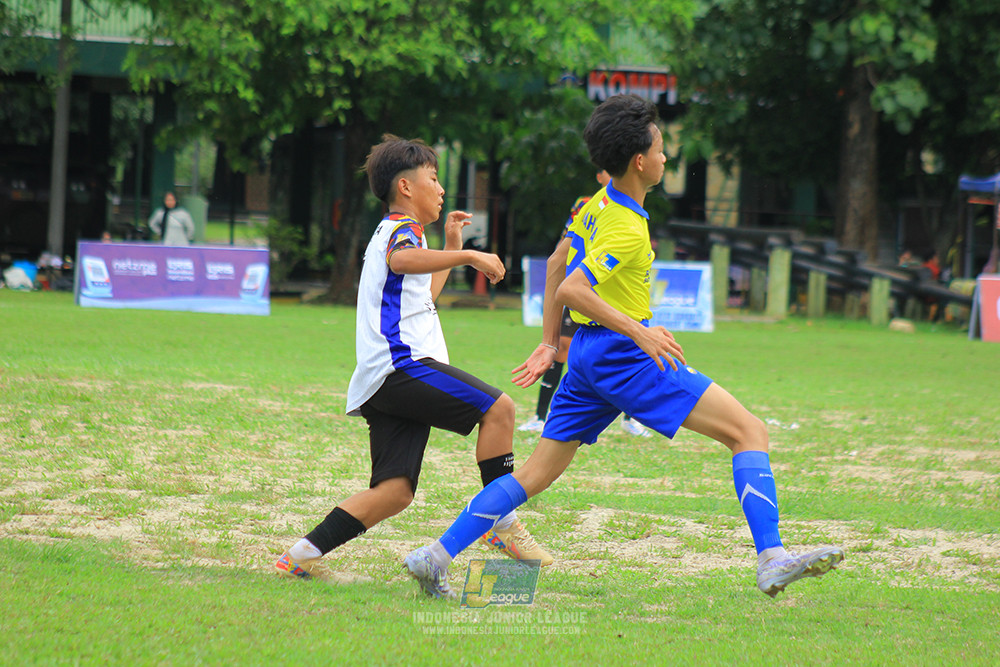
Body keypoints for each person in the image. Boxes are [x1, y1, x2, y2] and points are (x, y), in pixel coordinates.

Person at [405, 95, 843, 599]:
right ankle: (771, 559)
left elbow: (554, 264)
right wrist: (640, 331)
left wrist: (551, 344)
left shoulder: (600, 203)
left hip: (589, 355)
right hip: (624, 356)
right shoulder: (627, 228)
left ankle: (434, 557)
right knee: (749, 431)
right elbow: (571, 288)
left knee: (534, 473)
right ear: (640, 160)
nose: (664, 158)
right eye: (660, 150)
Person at [275, 135, 551, 589]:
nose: (441, 189)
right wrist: (468, 254)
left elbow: (422, 295)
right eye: (434, 178)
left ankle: (299, 556)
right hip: (401, 367)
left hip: (381, 380)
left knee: (395, 492)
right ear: (405, 187)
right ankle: (500, 524)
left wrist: (452, 243)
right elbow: (403, 261)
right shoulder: (400, 230)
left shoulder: (401, 235)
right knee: (500, 410)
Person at [518, 169, 651, 438]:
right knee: (567, 349)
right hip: (580, 290)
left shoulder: (626, 209)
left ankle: (630, 417)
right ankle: (540, 416)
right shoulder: (588, 205)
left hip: (603, 296)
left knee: (636, 350)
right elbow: (562, 253)